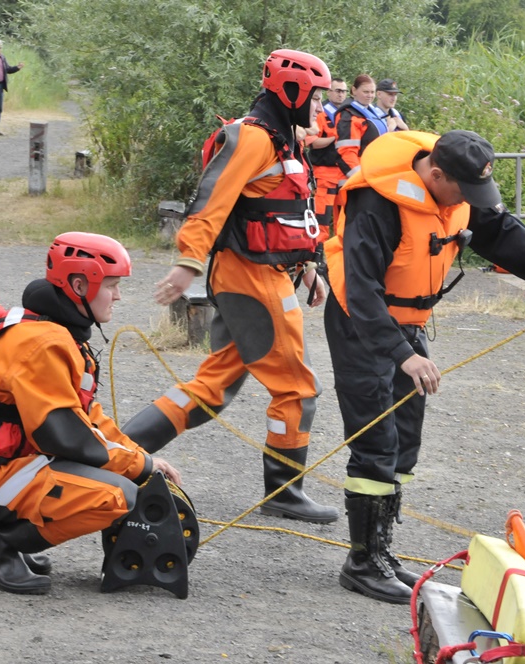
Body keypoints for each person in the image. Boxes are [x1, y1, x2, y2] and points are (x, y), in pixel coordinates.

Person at [323, 129, 525, 604]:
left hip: (407, 327)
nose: (471, 201)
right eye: (464, 191)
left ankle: (382, 551)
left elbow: (500, 231)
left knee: (405, 439)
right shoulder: (377, 204)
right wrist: (403, 354)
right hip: (363, 325)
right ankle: (362, 563)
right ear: (435, 174)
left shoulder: (456, 193)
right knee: (376, 440)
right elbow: (361, 291)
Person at [121, 50, 339, 524]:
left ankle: (121, 448)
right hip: (249, 276)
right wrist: (187, 264)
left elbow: (288, 213)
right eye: (317, 96)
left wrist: (307, 266)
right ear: (292, 91)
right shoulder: (254, 139)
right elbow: (210, 203)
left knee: (214, 384)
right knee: (298, 389)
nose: (322, 107)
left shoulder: (286, 140)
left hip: (266, 270)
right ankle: (284, 492)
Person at [0, 232, 182, 595]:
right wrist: (138, 468)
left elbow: (89, 417)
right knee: (116, 495)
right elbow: (68, 437)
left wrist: (143, 459)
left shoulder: (50, 329)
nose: (119, 296)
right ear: (79, 284)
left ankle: (3, 538)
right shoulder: (44, 343)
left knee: (122, 479)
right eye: (111, 286)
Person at [307, 77, 349, 239]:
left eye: (344, 91)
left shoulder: (348, 113)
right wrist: (337, 137)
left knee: (344, 219)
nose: (341, 95)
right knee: (321, 217)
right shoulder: (319, 112)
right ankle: (317, 254)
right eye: (338, 91)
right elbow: (313, 142)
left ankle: (341, 256)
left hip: (344, 174)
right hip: (324, 173)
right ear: (329, 92)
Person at [334, 74, 392, 180]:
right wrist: (359, 177)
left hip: (374, 173)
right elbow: (347, 152)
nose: (369, 95)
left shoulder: (374, 113)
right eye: (365, 92)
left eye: (372, 92)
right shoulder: (348, 115)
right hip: (357, 178)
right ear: (354, 90)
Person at [0, 39, 25, 136]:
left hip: (0, 85)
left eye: (0, 47)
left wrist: (17, 68)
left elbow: (7, 69)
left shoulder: (2, 58)